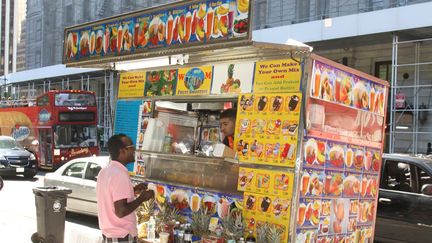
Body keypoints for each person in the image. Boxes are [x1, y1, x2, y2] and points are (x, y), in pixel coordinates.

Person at [96, 134, 154, 243]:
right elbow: (121, 211)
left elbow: (111, 196)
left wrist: (133, 191)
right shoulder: (119, 174)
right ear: (122, 151)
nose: (134, 150)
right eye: (131, 147)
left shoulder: (104, 171)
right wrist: (142, 198)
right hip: (121, 236)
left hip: (109, 236)